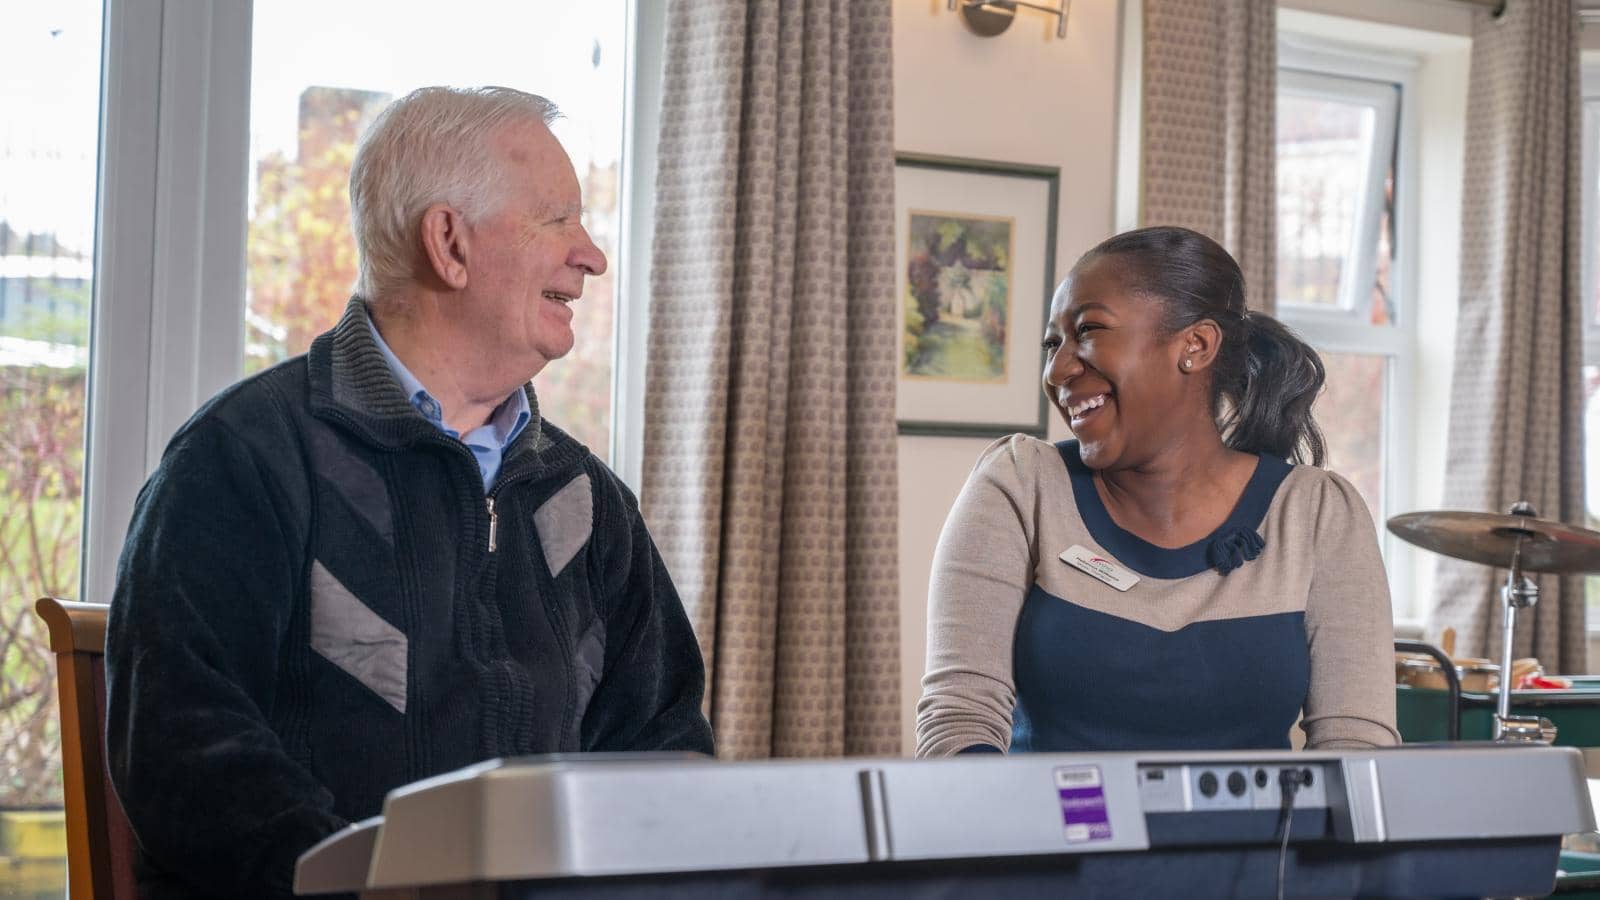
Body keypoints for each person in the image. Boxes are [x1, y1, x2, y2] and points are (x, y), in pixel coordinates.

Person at [105, 86, 714, 897]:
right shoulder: (244, 460)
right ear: (449, 243)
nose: (592, 255)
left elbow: (665, 753)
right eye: (558, 219)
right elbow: (191, 757)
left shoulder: (588, 501)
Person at [915, 226, 1399, 757]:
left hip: (1261, 844)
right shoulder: (1019, 486)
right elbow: (959, 721)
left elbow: (1356, 748)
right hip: (1055, 838)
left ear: (1195, 346)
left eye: (1089, 330)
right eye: (1053, 344)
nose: (1056, 369)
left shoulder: (1316, 515)